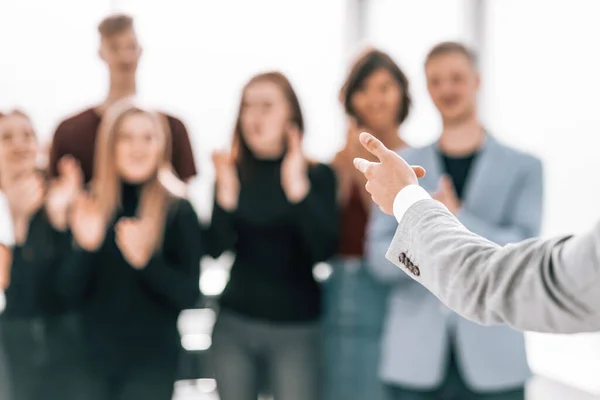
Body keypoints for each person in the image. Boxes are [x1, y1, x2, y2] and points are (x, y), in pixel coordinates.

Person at [366, 42, 541, 400]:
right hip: (413, 360)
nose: (447, 89)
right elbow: (377, 259)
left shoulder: (525, 167)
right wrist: (437, 245)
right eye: (436, 81)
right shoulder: (401, 166)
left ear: (476, 81)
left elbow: (524, 253)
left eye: (456, 78)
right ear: (427, 89)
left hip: (494, 360)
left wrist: (454, 218)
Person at [353, 129, 600, 334]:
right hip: (417, 348)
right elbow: (377, 255)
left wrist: (408, 199)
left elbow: (506, 272)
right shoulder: (406, 156)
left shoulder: (523, 164)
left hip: (494, 355)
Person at [57, 99, 203, 400]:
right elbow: (65, 294)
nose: (138, 147)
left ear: (161, 146)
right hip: (90, 365)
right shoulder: (88, 204)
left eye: (147, 137)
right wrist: (86, 248)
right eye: (126, 137)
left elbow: (190, 295)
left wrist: (146, 262)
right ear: (110, 145)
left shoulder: (178, 209)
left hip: (152, 366)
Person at [207, 71, 339, 400]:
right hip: (234, 324)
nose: (255, 115)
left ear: (290, 116)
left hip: (297, 329)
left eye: (267, 105)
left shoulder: (317, 174)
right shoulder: (231, 171)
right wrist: (225, 197)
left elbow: (323, 251)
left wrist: (298, 191)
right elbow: (214, 249)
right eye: (248, 106)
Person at [324, 48, 410, 400]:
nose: (374, 98)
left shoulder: (417, 159)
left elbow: (397, 224)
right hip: (346, 298)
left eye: (385, 87)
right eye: (364, 89)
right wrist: (345, 169)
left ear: (402, 94)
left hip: (403, 295)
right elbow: (325, 235)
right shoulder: (336, 163)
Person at [0, 110, 88, 400]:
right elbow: (11, 295)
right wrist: (17, 225)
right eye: (6, 137)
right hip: (11, 353)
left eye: (27, 134)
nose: (20, 144)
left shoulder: (62, 198)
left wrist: (62, 223)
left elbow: (71, 288)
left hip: (65, 349)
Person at [49, 13, 197, 184]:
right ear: (101, 53)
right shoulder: (69, 132)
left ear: (140, 50)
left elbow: (184, 199)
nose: (124, 57)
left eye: (131, 47)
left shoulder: (173, 128)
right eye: (114, 47)